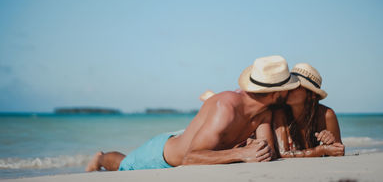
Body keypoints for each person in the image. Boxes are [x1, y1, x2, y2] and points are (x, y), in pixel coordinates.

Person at [85, 55, 300, 171]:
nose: (292, 91)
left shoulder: (264, 113)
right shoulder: (225, 107)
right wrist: (241, 153)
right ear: (275, 93)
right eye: (288, 88)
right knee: (123, 164)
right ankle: (101, 158)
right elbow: (190, 157)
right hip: (161, 156)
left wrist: (258, 150)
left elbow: (267, 151)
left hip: (188, 145)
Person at [272, 63, 345, 157]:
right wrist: (321, 150)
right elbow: (282, 153)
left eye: (296, 86)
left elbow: (338, 151)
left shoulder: (326, 115)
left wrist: (329, 142)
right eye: (290, 85)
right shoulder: (280, 113)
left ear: (312, 95)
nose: (289, 89)